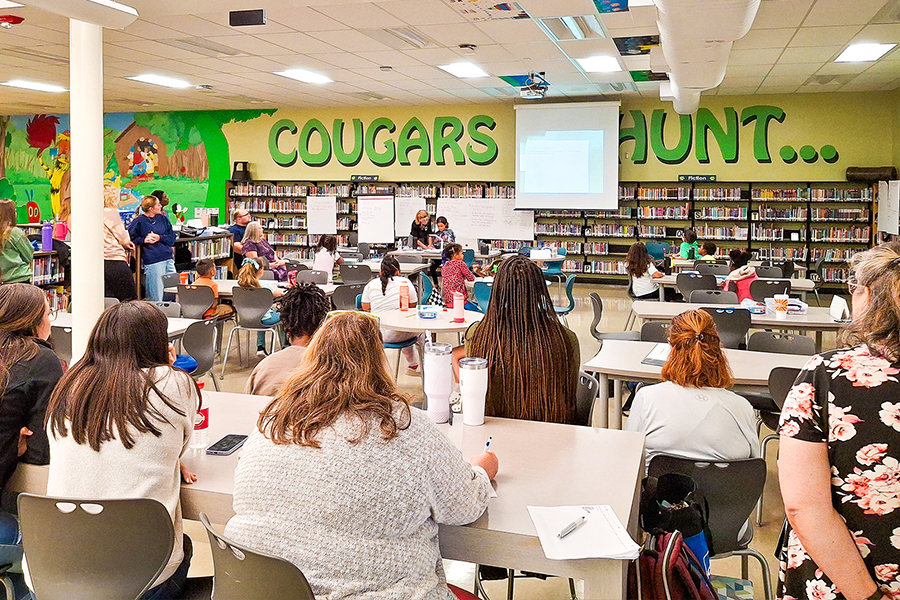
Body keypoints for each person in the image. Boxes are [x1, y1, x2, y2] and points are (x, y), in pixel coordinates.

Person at [224, 312, 497, 600]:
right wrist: (481, 472)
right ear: (378, 363)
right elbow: (462, 507)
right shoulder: (405, 425)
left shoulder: (273, 419)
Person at [45, 301, 200, 600]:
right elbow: (181, 442)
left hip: (56, 574)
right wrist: (167, 370)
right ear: (156, 343)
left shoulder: (69, 384)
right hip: (141, 579)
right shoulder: (173, 383)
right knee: (185, 546)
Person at [776, 242, 900, 600]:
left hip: (841, 578)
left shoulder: (826, 376)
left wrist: (868, 595)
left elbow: (804, 505)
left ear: (868, 296)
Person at [625, 309, 759, 470]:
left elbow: (629, 456)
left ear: (671, 348)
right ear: (718, 349)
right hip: (727, 494)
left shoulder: (647, 398)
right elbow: (753, 466)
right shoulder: (742, 407)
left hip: (659, 493)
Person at [452, 255, 580, 424]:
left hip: (492, 436)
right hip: (553, 435)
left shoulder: (477, 335)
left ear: (497, 290)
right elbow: (570, 393)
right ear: (540, 290)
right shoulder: (566, 338)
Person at [245, 283, 330, 396]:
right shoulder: (330, 371)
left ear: (286, 328)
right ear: (322, 326)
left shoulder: (263, 368)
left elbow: (246, 404)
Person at [361, 255, 421, 373]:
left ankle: (413, 364)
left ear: (380, 272)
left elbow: (365, 308)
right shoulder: (405, 282)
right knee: (421, 332)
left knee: (405, 329)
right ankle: (419, 366)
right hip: (396, 333)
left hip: (375, 333)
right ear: (398, 271)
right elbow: (413, 306)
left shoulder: (370, 284)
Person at [128, 194, 176, 302]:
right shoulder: (139, 221)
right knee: (156, 294)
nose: (160, 207)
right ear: (151, 208)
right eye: (158, 205)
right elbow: (131, 237)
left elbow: (172, 237)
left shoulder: (163, 219)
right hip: (153, 260)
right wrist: (144, 240)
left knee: (173, 290)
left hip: (168, 257)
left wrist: (159, 237)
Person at [238, 257, 283, 356]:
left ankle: (260, 347)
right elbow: (280, 293)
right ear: (261, 271)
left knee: (260, 313)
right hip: (264, 320)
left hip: (245, 319)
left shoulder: (239, 286)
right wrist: (275, 287)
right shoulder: (265, 285)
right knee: (285, 315)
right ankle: (285, 346)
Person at [103, 184, 137, 302]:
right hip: (114, 259)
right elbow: (123, 237)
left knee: (108, 299)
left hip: (98, 261)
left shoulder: (90, 214)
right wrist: (127, 242)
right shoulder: (110, 213)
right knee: (128, 299)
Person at [0, 198, 34, 283]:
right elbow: (28, 256)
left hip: (2, 280)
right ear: (12, 214)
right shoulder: (15, 233)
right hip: (19, 278)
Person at [440, 243, 477, 310]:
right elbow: (471, 278)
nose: (463, 255)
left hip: (448, 301)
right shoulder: (460, 264)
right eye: (461, 253)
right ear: (456, 255)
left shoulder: (444, 266)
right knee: (478, 311)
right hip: (460, 301)